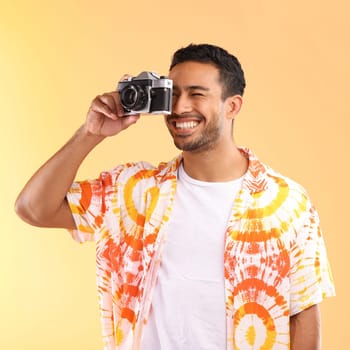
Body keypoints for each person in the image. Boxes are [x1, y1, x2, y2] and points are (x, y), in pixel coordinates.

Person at [15, 43, 335, 350]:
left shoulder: (287, 201)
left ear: (232, 105)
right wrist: (90, 133)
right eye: (174, 94)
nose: (180, 108)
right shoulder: (133, 191)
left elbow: (304, 314)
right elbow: (33, 209)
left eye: (196, 94)